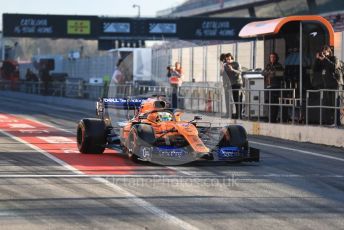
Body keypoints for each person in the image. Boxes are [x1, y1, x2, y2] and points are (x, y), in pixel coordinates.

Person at [313, 45, 342, 125]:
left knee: (335, 104)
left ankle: (336, 122)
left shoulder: (334, 59)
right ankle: (330, 121)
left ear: (329, 52)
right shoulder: (323, 61)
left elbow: (333, 67)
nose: (324, 53)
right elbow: (315, 69)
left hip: (334, 85)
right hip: (326, 85)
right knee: (328, 104)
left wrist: (325, 58)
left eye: (325, 51)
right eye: (323, 51)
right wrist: (317, 59)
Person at [262, 52, 284, 122]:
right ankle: (270, 118)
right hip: (268, 86)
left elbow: (282, 74)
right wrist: (268, 72)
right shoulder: (268, 65)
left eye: (273, 57)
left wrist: (274, 73)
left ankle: (273, 119)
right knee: (269, 103)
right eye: (271, 57)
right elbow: (262, 72)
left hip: (275, 86)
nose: (272, 58)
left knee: (274, 104)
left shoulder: (279, 65)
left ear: (276, 58)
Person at [223, 53, 242, 119]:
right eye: (227, 59)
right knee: (232, 100)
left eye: (229, 59)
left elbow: (240, 72)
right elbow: (225, 75)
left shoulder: (236, 63)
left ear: (232, 58)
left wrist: (232, 69)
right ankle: (232, 114)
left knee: (238, 99)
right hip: (231, 84)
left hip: (237, 83)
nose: (228, 61)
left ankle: (239, 115)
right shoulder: (225, 65)